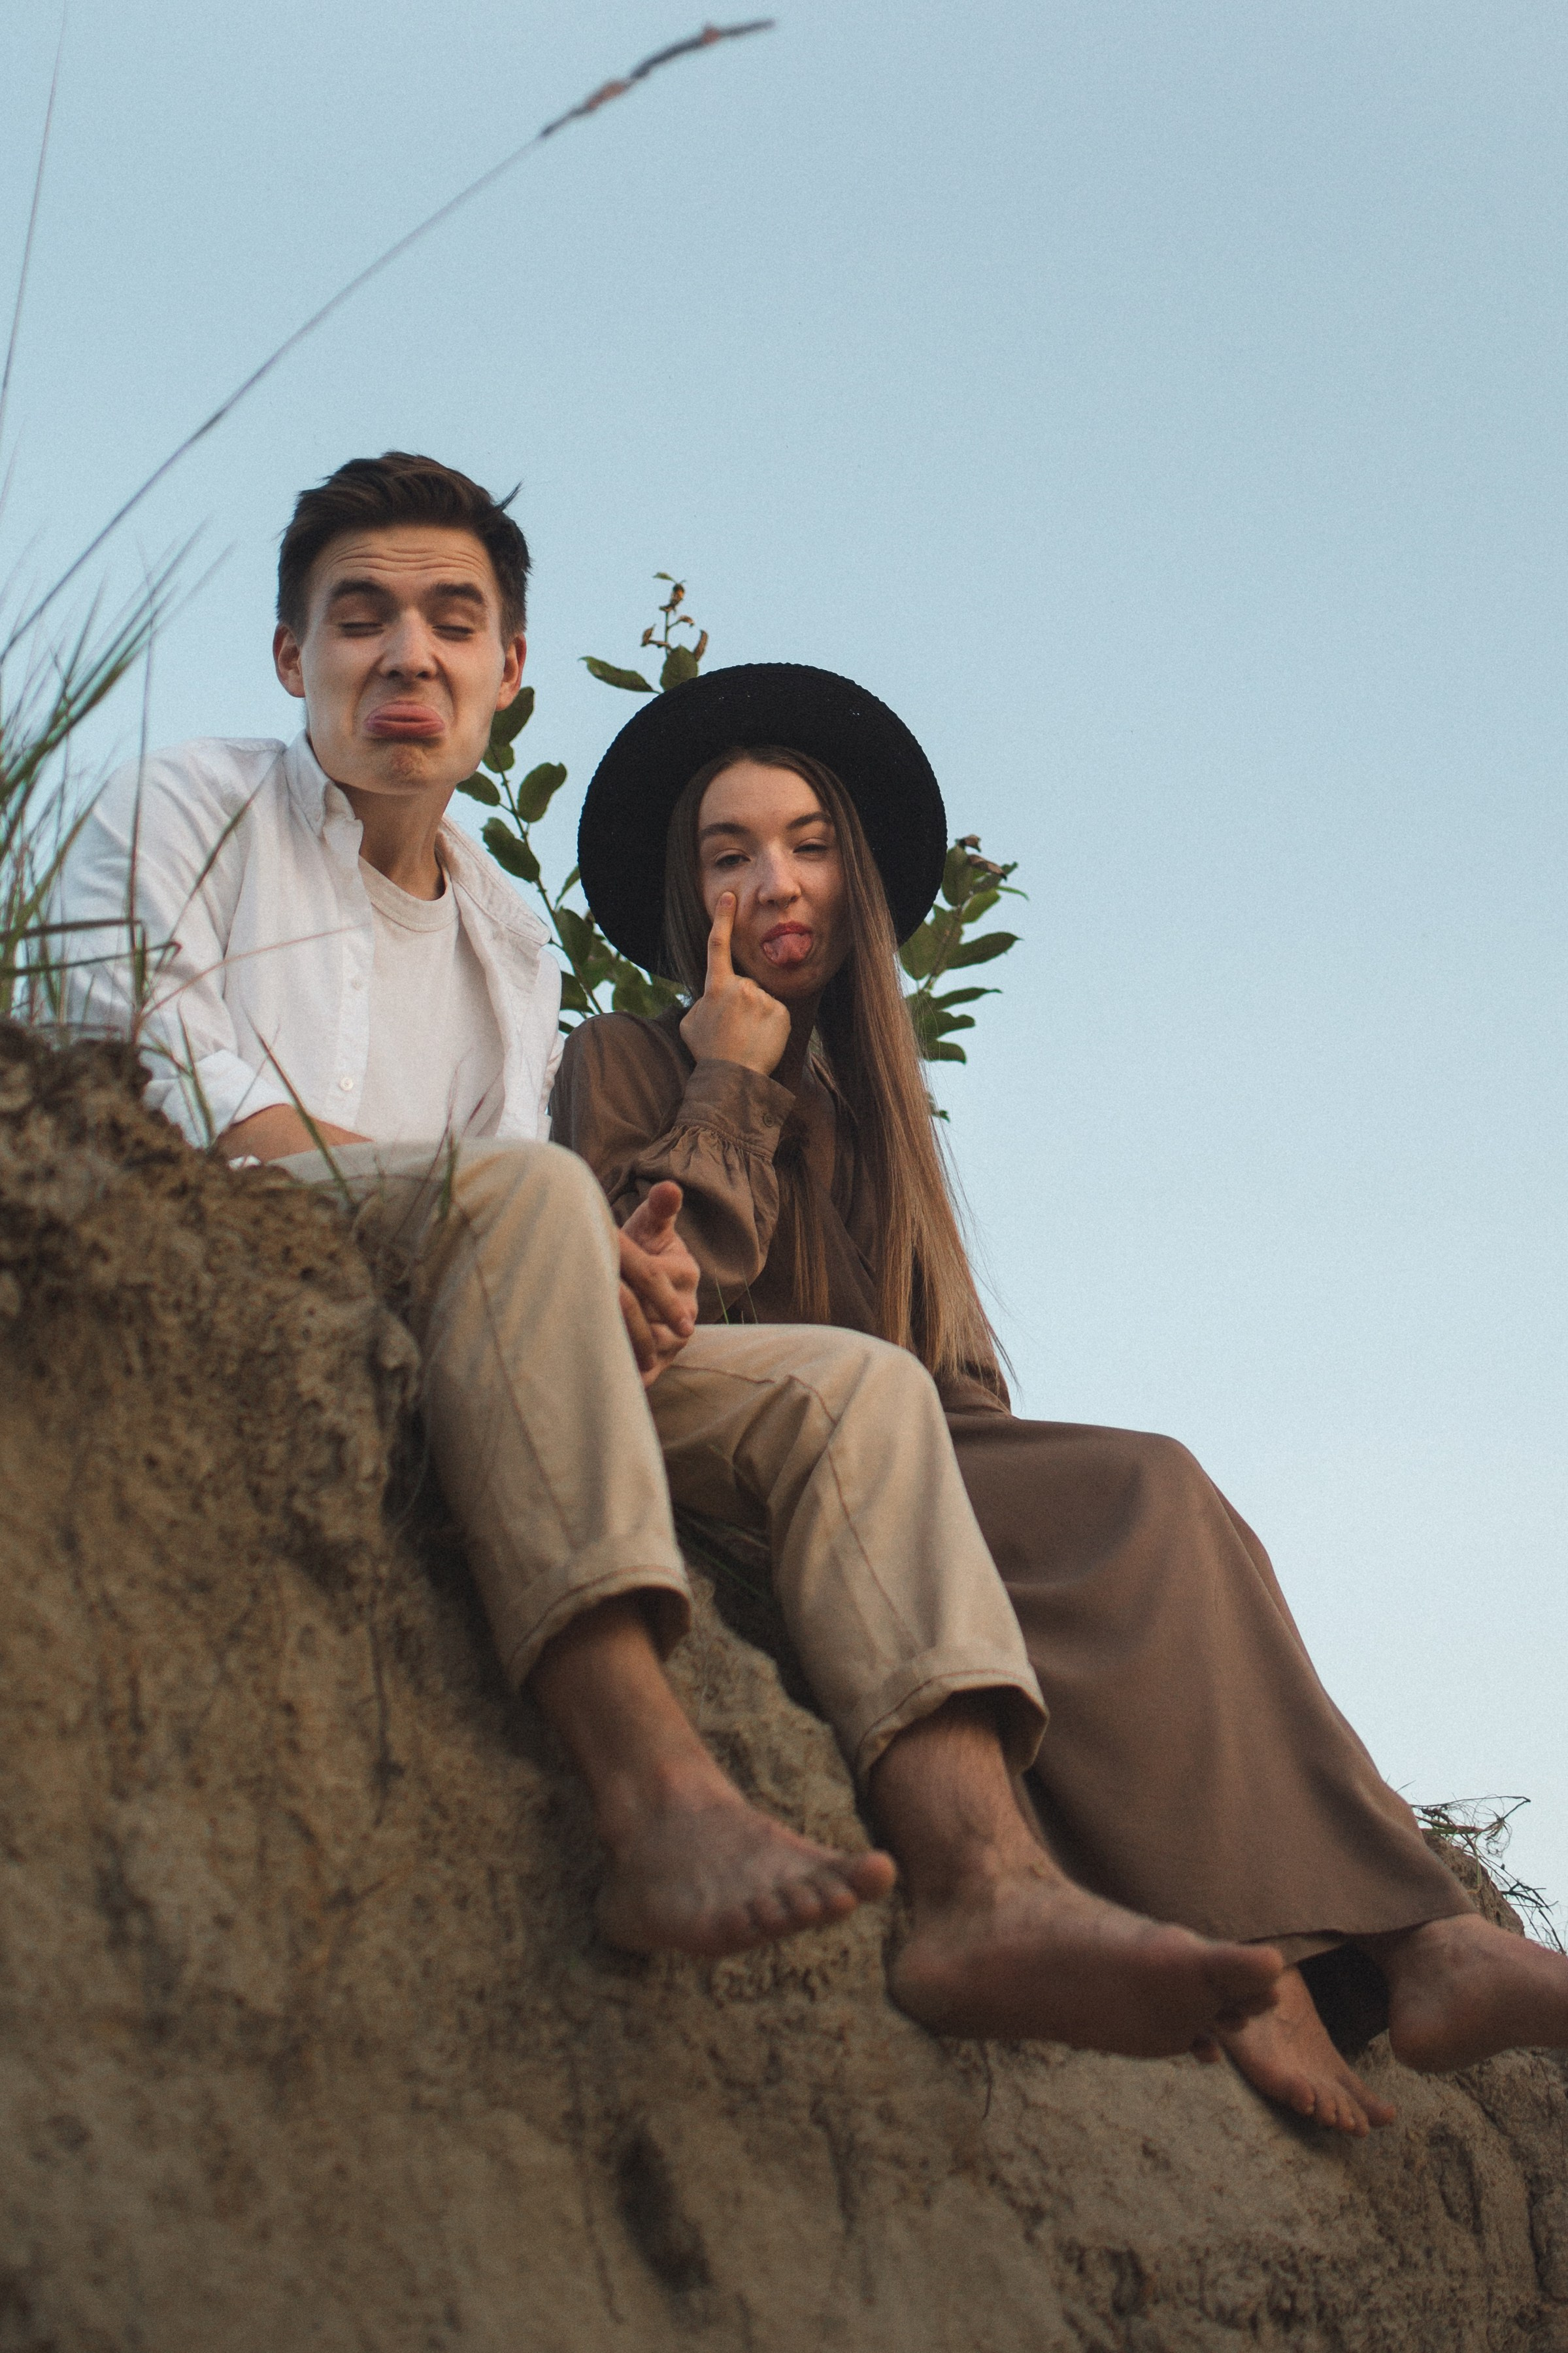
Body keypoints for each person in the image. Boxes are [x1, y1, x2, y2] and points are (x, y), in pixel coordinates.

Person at [51, 454, 1287, 2057]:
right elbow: (158, 1081)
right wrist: (562, 1236)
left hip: (467, 1324)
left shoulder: (503, 937)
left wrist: (618, 1281)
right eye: (359, 621)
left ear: (510, 672)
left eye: (452, 620)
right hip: (242, 1269)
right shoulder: (181, 811)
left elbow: (515, 1219)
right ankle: (657, 1800)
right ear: (295, 660)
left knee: (855, 1394)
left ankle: (982, 1882)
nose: (406, 655)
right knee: (534, 1210)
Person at [557, 659, 1568, 2135]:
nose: (777, 879)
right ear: (687, 896)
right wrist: (726, 1082)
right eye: (731, 853)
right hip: (737, 1442)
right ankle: (1317, 1955)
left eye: (811, 842)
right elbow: (654, 1298)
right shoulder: (625, 1055)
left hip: (919, 1456)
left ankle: (1427, 1948)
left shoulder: (875, 1121)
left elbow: (959, 1387)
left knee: (1153, 1492)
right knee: (1130, 1490)